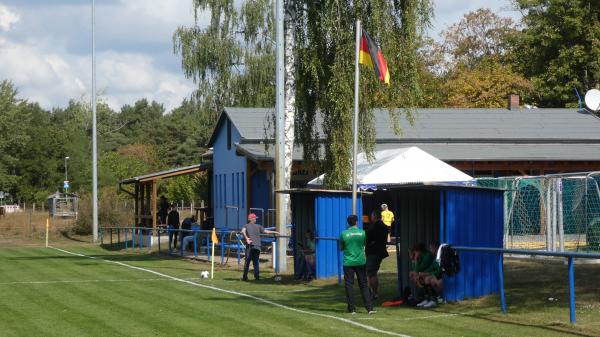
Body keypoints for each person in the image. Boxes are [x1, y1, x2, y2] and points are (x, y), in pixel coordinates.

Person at [340, 214, 375, 315]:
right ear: (357, 222)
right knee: (363, 284)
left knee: (349, 285)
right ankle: (369, 308)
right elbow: (364, 244)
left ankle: (352, 309)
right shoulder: (362, 233)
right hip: (360, 261)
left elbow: (341, 248)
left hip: (348, 262)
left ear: (348, 223)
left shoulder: (344, 234)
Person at [241, 213, 277, 281]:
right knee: (256, 262)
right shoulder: (258, 226)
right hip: (257, 246)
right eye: (255, 218)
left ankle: (245, 277)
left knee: (247, 262)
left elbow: (243, 231)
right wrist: (274, 232)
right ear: (252, 219)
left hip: (250, 246)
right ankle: (257, 277)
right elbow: (266, 231)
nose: (255, 219)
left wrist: (246, 238)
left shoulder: (246, 225)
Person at [365, 210, 389, 300]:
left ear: (374, 216)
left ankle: (373, 293)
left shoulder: (374, 226)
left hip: (373, 252)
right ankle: (374, 293)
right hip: (380, 251)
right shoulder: (385, 226)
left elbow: (367, 236)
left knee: (371, 273)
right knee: (373, 272)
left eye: (371, 215)